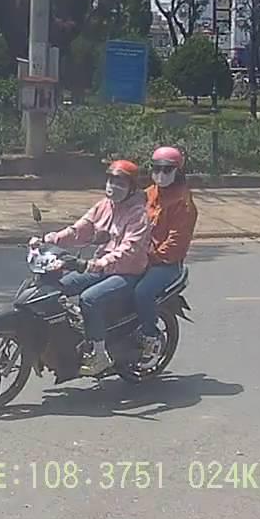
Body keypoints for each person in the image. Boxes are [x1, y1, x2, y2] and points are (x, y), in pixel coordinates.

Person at [35, 159, 151, 375]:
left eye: (121, 183)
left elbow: (128, 250)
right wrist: (51, 239)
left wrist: (96, 264)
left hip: (127, 273)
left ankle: (100, 355)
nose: (113, 186)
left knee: (90, 299)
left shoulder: (138, 215)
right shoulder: (104, 206)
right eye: (111, 181)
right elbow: (81, 229)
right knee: (54, 286)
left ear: (132, 188)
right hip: (100, 268)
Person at [132, 146, 198, 358]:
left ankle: (150, 336)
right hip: (138, 256)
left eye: (167, 169)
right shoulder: (148, 194)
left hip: (165, 264)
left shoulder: (183, 203)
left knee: (142, 292)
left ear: (178, 171)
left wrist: (150, 258)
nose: (161, 174)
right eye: (157, 168)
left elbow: (176, 243)